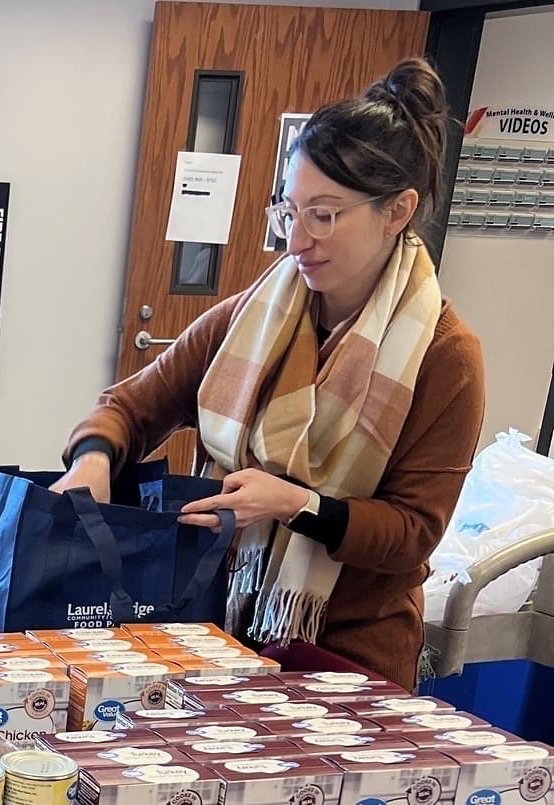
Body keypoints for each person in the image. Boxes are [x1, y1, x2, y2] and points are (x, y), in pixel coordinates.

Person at [50, 58, 485, 689]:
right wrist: (93, 459)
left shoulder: (445, 356)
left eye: (325, 215)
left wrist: (297, 505)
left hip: (347, 660)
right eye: (290, 211)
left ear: (397, 212)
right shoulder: (256, 315)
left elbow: (413, 533)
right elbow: (129, 406)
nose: (297, 241)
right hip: (215, 627)